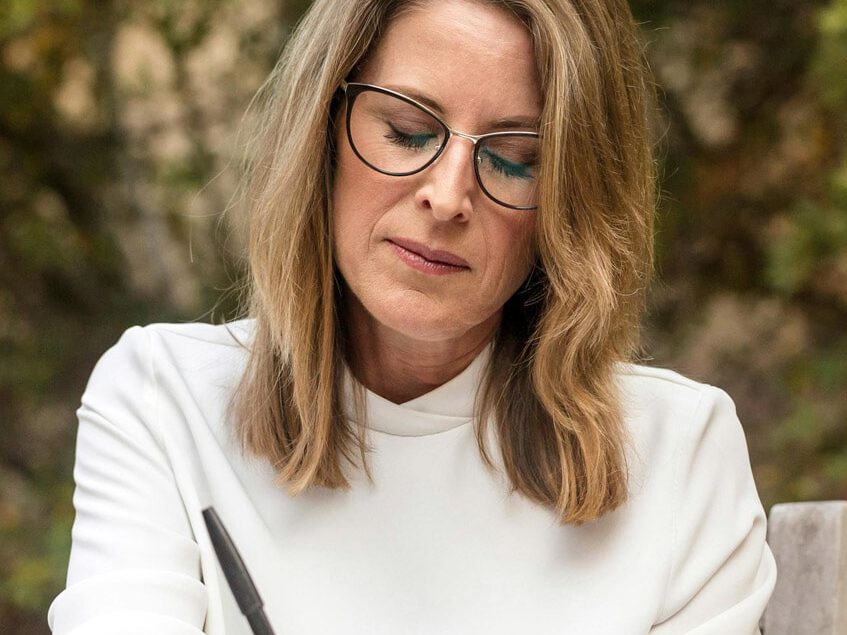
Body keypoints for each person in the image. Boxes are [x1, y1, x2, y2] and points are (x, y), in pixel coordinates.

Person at [47, 0, 777, 633]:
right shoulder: (166, 401)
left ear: (571, 203)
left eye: (515, 160)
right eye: (406, 130)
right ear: (320, 132)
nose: (448, 197)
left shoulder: (678, 454)